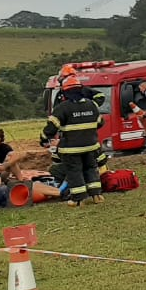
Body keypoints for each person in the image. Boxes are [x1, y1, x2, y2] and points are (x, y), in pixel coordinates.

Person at [41, 74, 104, 207]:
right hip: (91, 146)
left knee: (74, 171)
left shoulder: (63, 108)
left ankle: (77, 199)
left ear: (65, 92)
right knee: (91, 168)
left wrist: (43, 138)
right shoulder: (92, 104)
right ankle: (97, 194)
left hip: (71, 149)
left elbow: (51, 128)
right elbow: (100, 123)